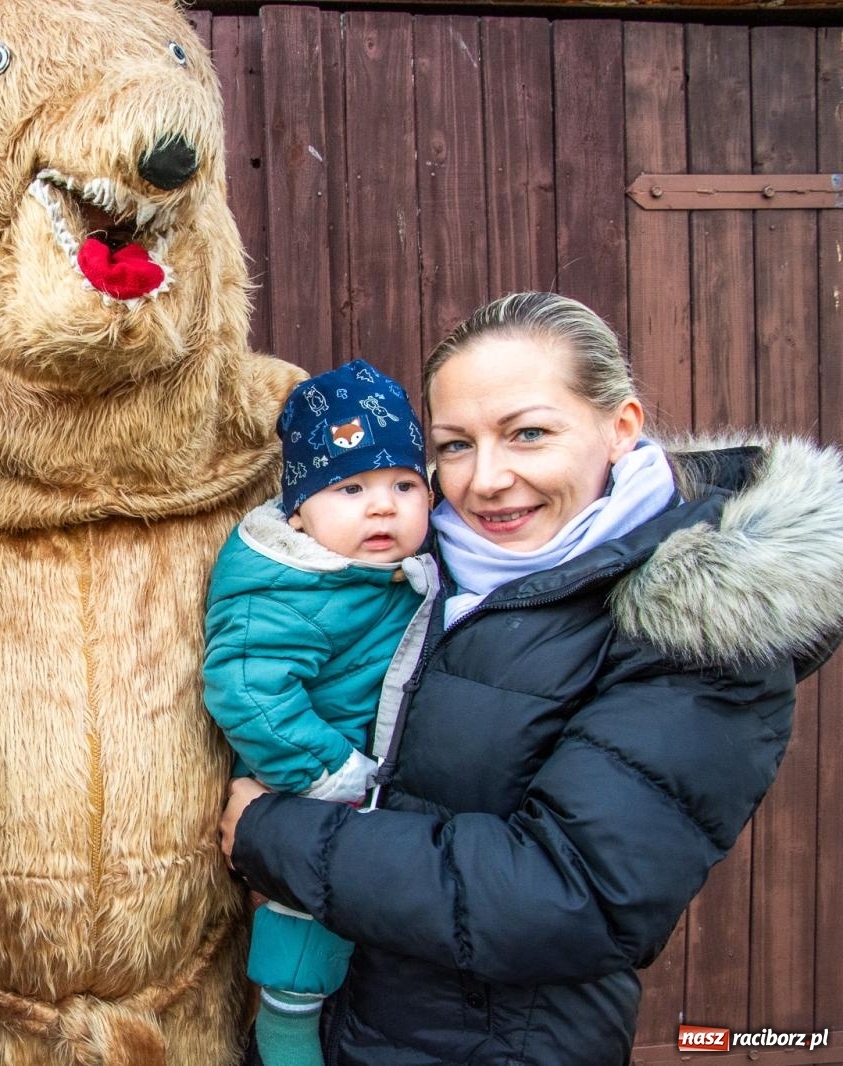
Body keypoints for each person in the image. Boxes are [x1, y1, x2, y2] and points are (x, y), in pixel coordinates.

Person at [219, 291, 843, 1065]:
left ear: (621, 429)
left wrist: (273, 834)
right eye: (454, 446)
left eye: (529, 434)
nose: (485, 480)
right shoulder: (410, 567)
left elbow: (569, 895)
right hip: (342, 1024)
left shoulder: (700, 633)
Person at [204, 360, 433, 1066]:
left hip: (373, 810)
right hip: (307, 790)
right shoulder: (284, 586)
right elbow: (245, 689)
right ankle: (285, 1039)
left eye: (404, 484)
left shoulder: (392, 569)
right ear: (299, 510)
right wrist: (330, 774)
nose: (383, 506)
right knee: (301, 943)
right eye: (351, 488)